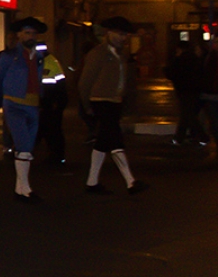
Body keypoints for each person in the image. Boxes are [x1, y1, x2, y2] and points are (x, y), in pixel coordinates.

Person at [79, 16, 149, 195]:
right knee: (115, 138)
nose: (122, 37)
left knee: (104, 141)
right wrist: (86, 105)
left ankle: (92, 182)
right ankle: (130, 181)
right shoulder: (98, 53)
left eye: (124, 34)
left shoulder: (121, 54)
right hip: (101, 101)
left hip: (115, 101)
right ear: (108, 33)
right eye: (119, 34)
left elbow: (126, 81)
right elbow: (85, 82)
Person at [0, 17, 47, 203]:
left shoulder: (39, 58)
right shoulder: (8, 57)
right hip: (14, 104)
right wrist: (5, 99)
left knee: (27, 147)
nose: (31, 36)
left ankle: (20, 188)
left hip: (33, 105)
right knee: (23, 145)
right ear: (19, 35)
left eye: (33, 33)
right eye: (27, 33)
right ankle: (26, 189)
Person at [165, 40, 205, 146]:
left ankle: (201, 137)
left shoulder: (179, 59)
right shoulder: (195, 59)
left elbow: (170, 72)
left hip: (183, 90)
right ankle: (181, 137)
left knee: (188, 114)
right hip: (194, 90)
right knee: (187, 114)